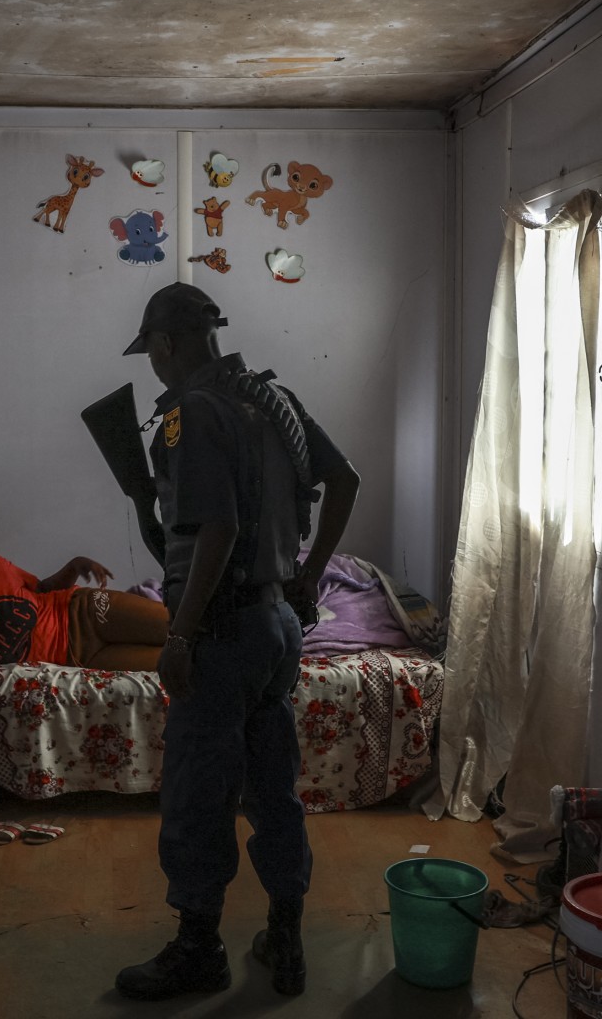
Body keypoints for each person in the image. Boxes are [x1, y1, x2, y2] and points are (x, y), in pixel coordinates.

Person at [111, 283, 358, 1000]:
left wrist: (180, 633)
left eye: (152, 354)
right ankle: (285, 940)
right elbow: (345, 479)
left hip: (222, 631)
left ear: (164, 345)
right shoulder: (273, 401)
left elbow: (214, 530)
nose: (154, 367)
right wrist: (309, 575)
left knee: (197, 791)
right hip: (279, 623)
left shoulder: (191, 414)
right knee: (274, 789)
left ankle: (198, 951)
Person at [0, 517, 171, 673]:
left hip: (86, 612)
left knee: (177, 628)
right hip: (81, 658)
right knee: (176, 660)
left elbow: (42, 590)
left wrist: (74, 565)